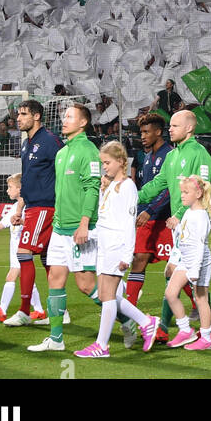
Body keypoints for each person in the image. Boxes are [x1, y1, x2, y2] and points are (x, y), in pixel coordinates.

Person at [134, 109, 211, 343]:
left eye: (175, 126)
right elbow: (160, 182)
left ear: (189, 128)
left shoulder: (199, 154)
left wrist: (179, 214)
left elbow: (203, 188)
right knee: (175, 275)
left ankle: (185, 328)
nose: (170, 129)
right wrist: (135, 196)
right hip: (178, 224)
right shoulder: (173, 155)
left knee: (192, 280)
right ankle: (186, 327)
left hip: (192, 222)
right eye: (170, 125)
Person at [75, 142, 160, 356]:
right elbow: (106, 219)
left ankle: (101, 345)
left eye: (107, 162)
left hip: (116, 246)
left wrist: (126, 254)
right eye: (103, 162)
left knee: (109, 296)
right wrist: (90, 236)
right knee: (106, 295)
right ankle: (145, 321)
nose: (104, 167)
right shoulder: (112, 186)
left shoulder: (128, 187)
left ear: (121, 161)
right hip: (104, 245)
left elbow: (127, 223)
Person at [28, 103, 100, 352]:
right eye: (64, 116)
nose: (64, 120)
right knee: (55, 280)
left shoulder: (88, 151)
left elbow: (93, 187)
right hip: (60, 229)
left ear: (83, 123)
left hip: (78, 229)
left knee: (86, 285)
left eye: (70, 116)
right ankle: (56, 339)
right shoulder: (62, 152)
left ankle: (131, 320)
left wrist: (84, 223)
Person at [4, 100, 62, 327]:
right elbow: (27, 179)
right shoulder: (27, 143)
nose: (18, 118)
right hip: (33, 206)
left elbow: (64, 170)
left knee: (23, 253)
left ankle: (24, 310)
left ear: (37, 116)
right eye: (18, 113)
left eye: (24, 114)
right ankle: (60, 311)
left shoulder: (50, 141)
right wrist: (21, 207)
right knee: (49, 260)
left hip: (46, 206)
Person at [0, 175, 46, 322]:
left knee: (11, 276)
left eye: (10, 187)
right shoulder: (14, 207)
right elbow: (4, 223)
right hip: (15, 249)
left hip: (23, 249)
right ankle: (39, 310)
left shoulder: (30, 206)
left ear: (20, 188)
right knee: (26, 280)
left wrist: (21, 221)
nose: (7, 190)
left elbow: (34, 225)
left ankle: (2, 310)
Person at [127, 113, 173, 312]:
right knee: (139, 259)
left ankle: (198, 306)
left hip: (167, 220)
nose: (143, 136)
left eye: (146, 132)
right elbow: (147, 189)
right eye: (141, 132)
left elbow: (171, 189)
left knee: (176, 268)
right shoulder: (146, 156)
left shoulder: (169, 154)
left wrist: (152, 209)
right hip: (148, 218)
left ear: (158, 132)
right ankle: (129, 309)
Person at [166, 178, 211, 350]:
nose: (182, 196)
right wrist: (176, 227)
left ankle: (207, 338)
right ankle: (185, 330)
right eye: (182, 192)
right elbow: (184, 237)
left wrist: (195, 268)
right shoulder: (188, 213)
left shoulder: (201, 216)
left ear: (198, 193)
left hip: (199, 262)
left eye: (186, 192)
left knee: (200, 298)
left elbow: (201, 244)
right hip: (186, 260)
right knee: (170, 293)